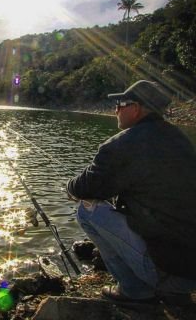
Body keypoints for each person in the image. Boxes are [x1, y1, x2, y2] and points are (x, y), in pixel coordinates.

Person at [66, 80, 196, 304]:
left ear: (135, 108)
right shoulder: (180, 139)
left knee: (87, 210)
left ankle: (135, 290)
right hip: (191, 272)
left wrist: (69, 187)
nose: (115, 109)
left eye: (120, 103)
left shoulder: (122, 144)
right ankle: (174, 290)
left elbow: (83, 188)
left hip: (169, 273)